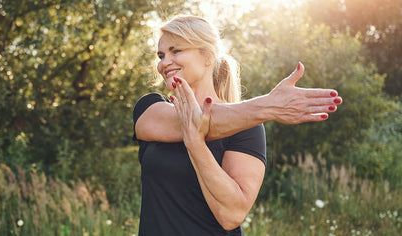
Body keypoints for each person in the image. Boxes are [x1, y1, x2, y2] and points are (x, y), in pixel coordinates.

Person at [132, 15, 343, 236]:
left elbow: (230, 216)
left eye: (176, 51)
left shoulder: (247, 127)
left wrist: (195, 144)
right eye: (161, 55)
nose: (164, 63)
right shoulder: (151, 108)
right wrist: (268, 106)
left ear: (208, 57)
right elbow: (194, 119)